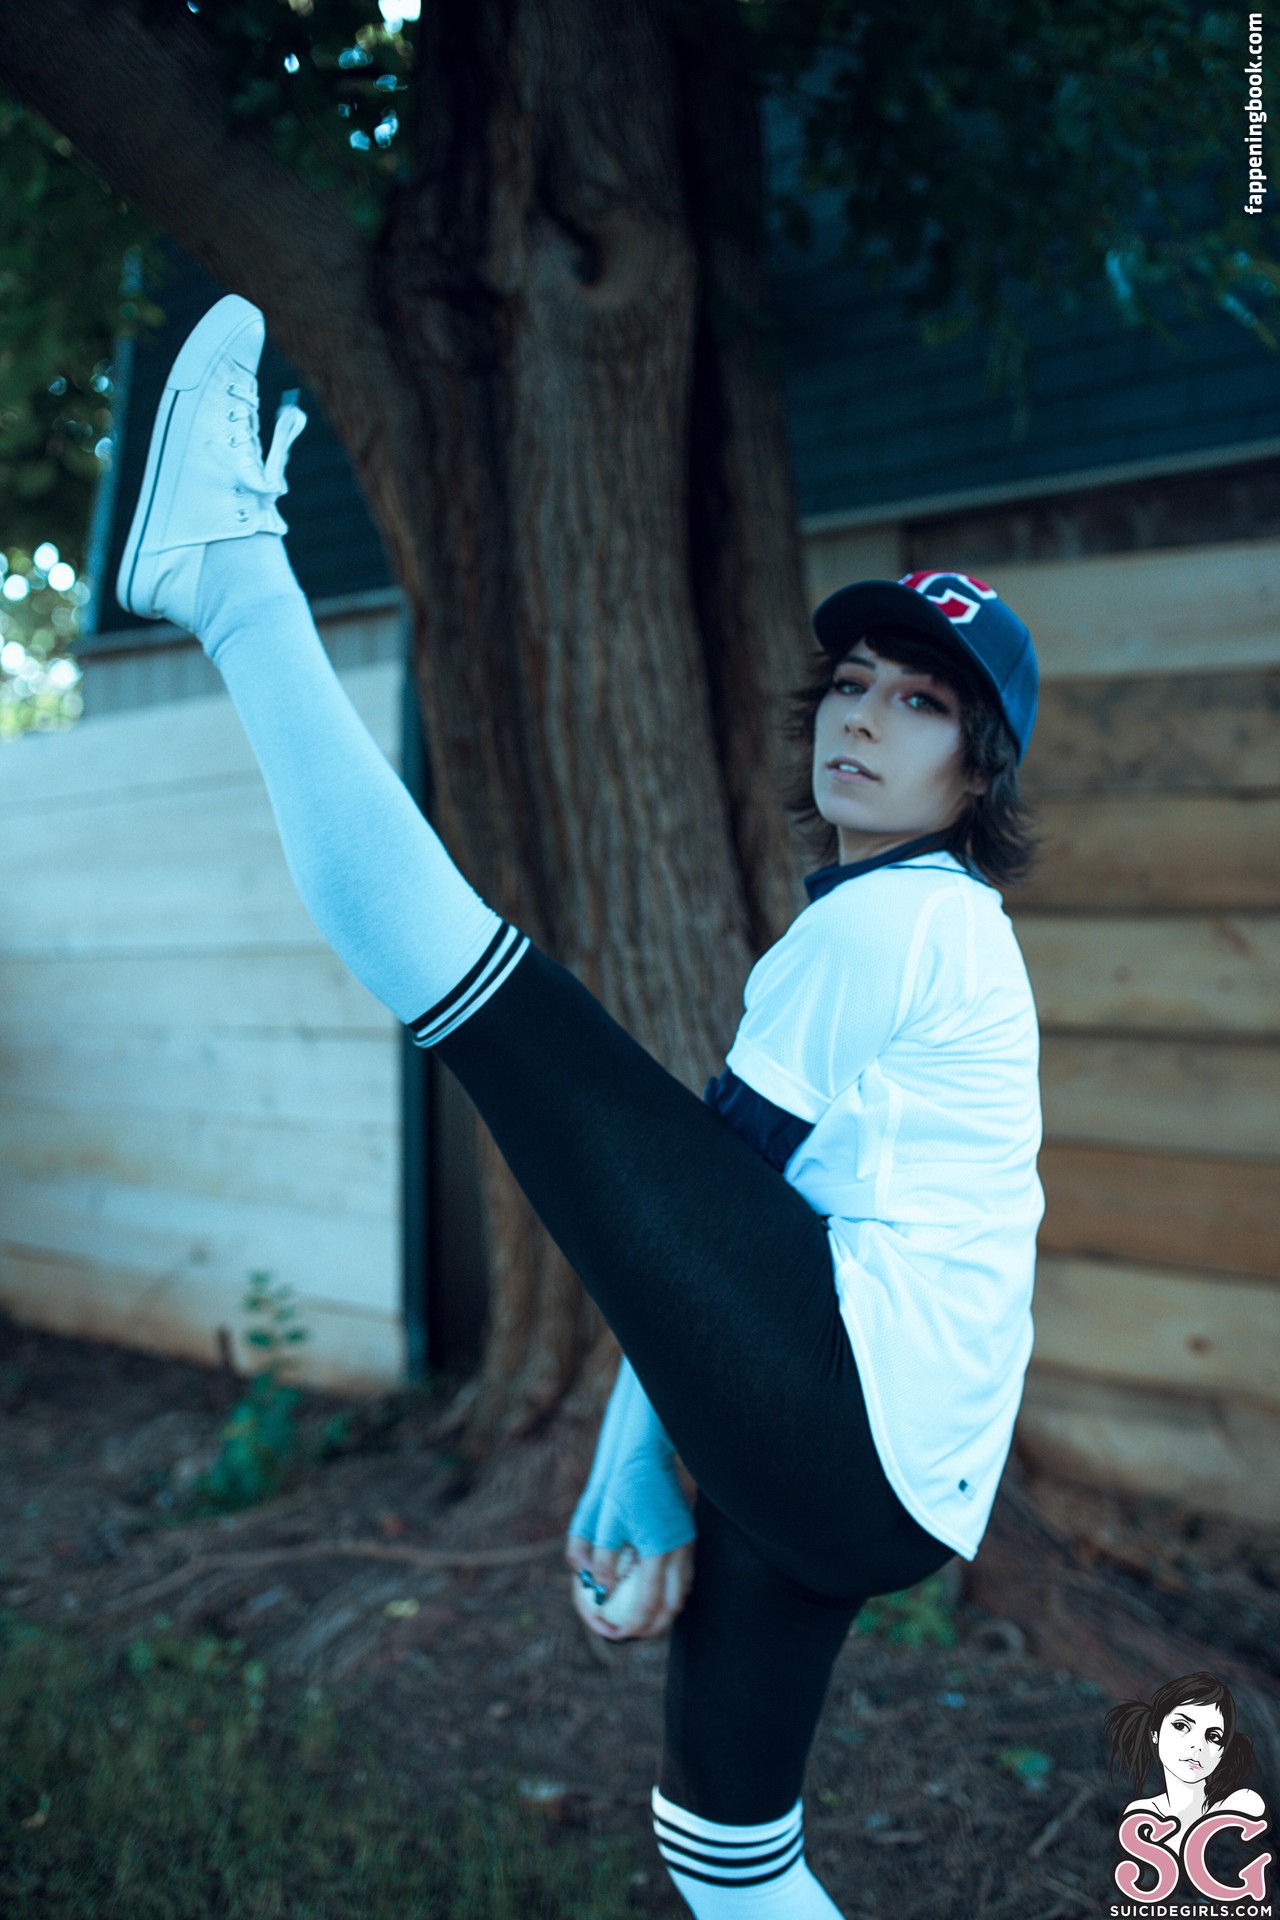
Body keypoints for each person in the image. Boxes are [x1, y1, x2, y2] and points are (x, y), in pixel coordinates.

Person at [117, 295, 1046, 1920]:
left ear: (978, 773)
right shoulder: (912, 928)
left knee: (498, 1010)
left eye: (919, 704)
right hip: (888, 1474)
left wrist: (636, 1467)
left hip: (850, 1417)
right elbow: (709, 1239)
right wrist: (659, 1465)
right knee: (727, 1852)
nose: (861, 716)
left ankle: (233, 582)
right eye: (852, 682)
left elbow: (688, 1206)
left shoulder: (906, 922)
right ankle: (222, 571)